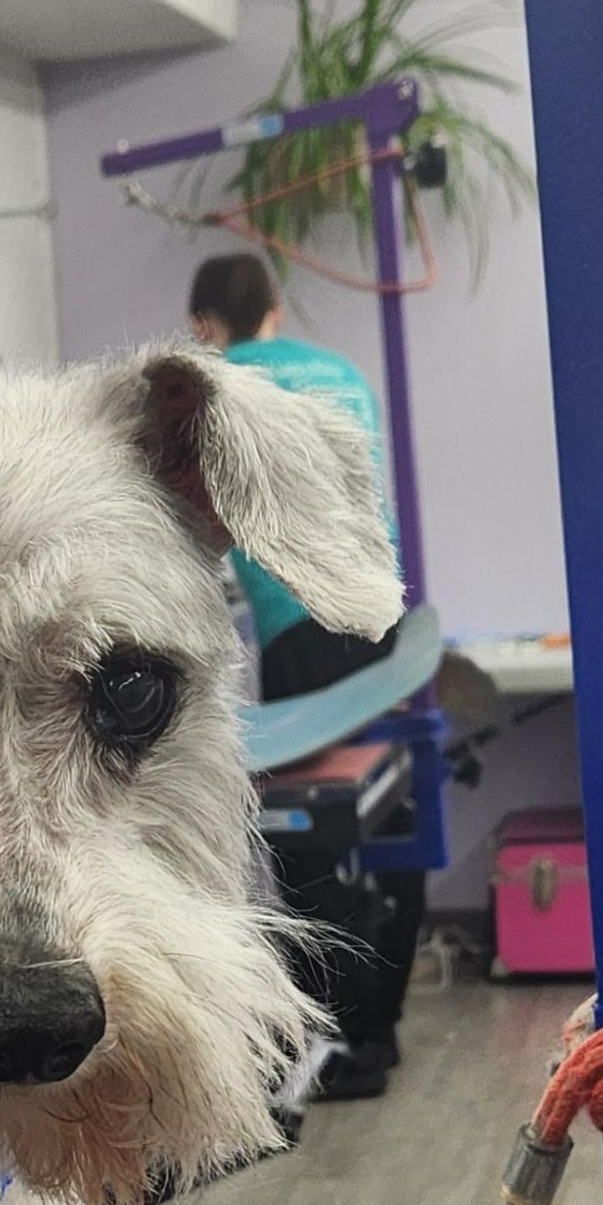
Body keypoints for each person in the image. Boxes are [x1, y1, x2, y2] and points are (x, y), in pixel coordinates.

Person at [188, 251, 422, 1102]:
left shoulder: (212, 383)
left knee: (311, 832)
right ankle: (379, 1032)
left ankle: (329, 1046)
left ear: (204, 327)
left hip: (300, 625)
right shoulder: (340, 371)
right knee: (391, 810)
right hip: (379, 614)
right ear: (275, 312)